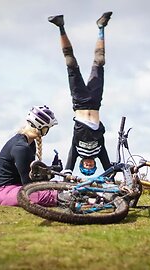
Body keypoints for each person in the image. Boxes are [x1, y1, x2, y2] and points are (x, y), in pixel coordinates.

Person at [48, 11, 113, 177]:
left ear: (82, 164)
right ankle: (101, 27)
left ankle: (60, 26)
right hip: (95, 101)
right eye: (92, 166)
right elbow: (110, 170)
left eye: (87, 166)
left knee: (71, 63)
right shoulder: (100, 151)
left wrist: (68, 178)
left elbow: (68, 168)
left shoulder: (76, 150)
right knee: (100, 62)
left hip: (79, 102)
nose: (90, 164)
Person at [0, 105, 60, 206]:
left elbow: (31, 177)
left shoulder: (29, 144)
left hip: (18, 189)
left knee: (55, 188)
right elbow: (28, 184)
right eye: (47, 128)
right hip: (8, 192)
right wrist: (48, 176)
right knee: (50, 195)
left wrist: (51, 170)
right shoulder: (21, 148)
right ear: (40, 126)